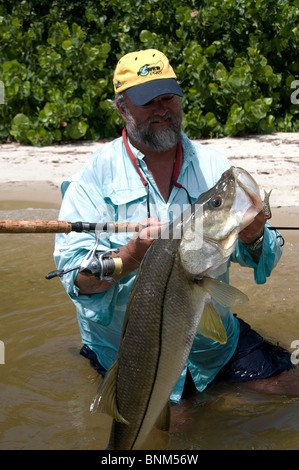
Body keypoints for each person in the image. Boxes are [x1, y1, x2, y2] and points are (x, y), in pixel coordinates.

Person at [54, 49, 295, 401]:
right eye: (147, 101)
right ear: (122, 108)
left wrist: (255, 235)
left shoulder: (215, 168)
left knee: (287, 392)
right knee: (172, 432)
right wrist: (129, 255)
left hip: (213, 345)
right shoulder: (92, 178)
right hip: (131, 354)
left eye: (168, 98)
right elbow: (75, 279)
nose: (161, 109)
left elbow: (266, 257)